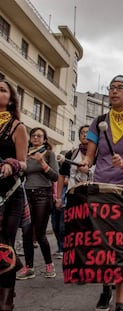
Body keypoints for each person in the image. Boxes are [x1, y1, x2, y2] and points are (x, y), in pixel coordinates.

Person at [78, 75, 123, 311]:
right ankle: (105, 288)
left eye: (120, 88)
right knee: (102, 246)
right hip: (101, 189)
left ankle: (120, 303)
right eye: (112, 88)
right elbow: (90, 155)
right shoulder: (98, 121)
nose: (114, 91)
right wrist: (86, 162)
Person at [0, 79, 28, 311]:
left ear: (11, 99)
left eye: (2, 90)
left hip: (10, 194)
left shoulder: (17, 127)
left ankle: (6, 301)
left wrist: (11, 164)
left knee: (4, 245)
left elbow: (24, 163)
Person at [17, 127, 58, 280]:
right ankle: (29, 267)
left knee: (40, 233)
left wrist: (42, 162)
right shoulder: (25, 154)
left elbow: (55, 176)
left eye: (39, 136)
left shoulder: (49, 154)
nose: (35, 138)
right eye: (33, 135)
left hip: (43, 195)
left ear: (44, 139)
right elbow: (21, 174)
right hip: (27, 194)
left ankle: (49, 265)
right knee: (26, 232)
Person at [55, 125, 92, 259]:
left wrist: (88, 170)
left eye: (88, 133)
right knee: (66, 227)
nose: (85, 135)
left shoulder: (99, 154)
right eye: (82, 133)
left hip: (91, 198)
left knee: (87, 229)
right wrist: (59, 197)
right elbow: (61, 175)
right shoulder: (71, 154)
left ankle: (86, 255)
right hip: (72, 196)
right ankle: (70, 255)